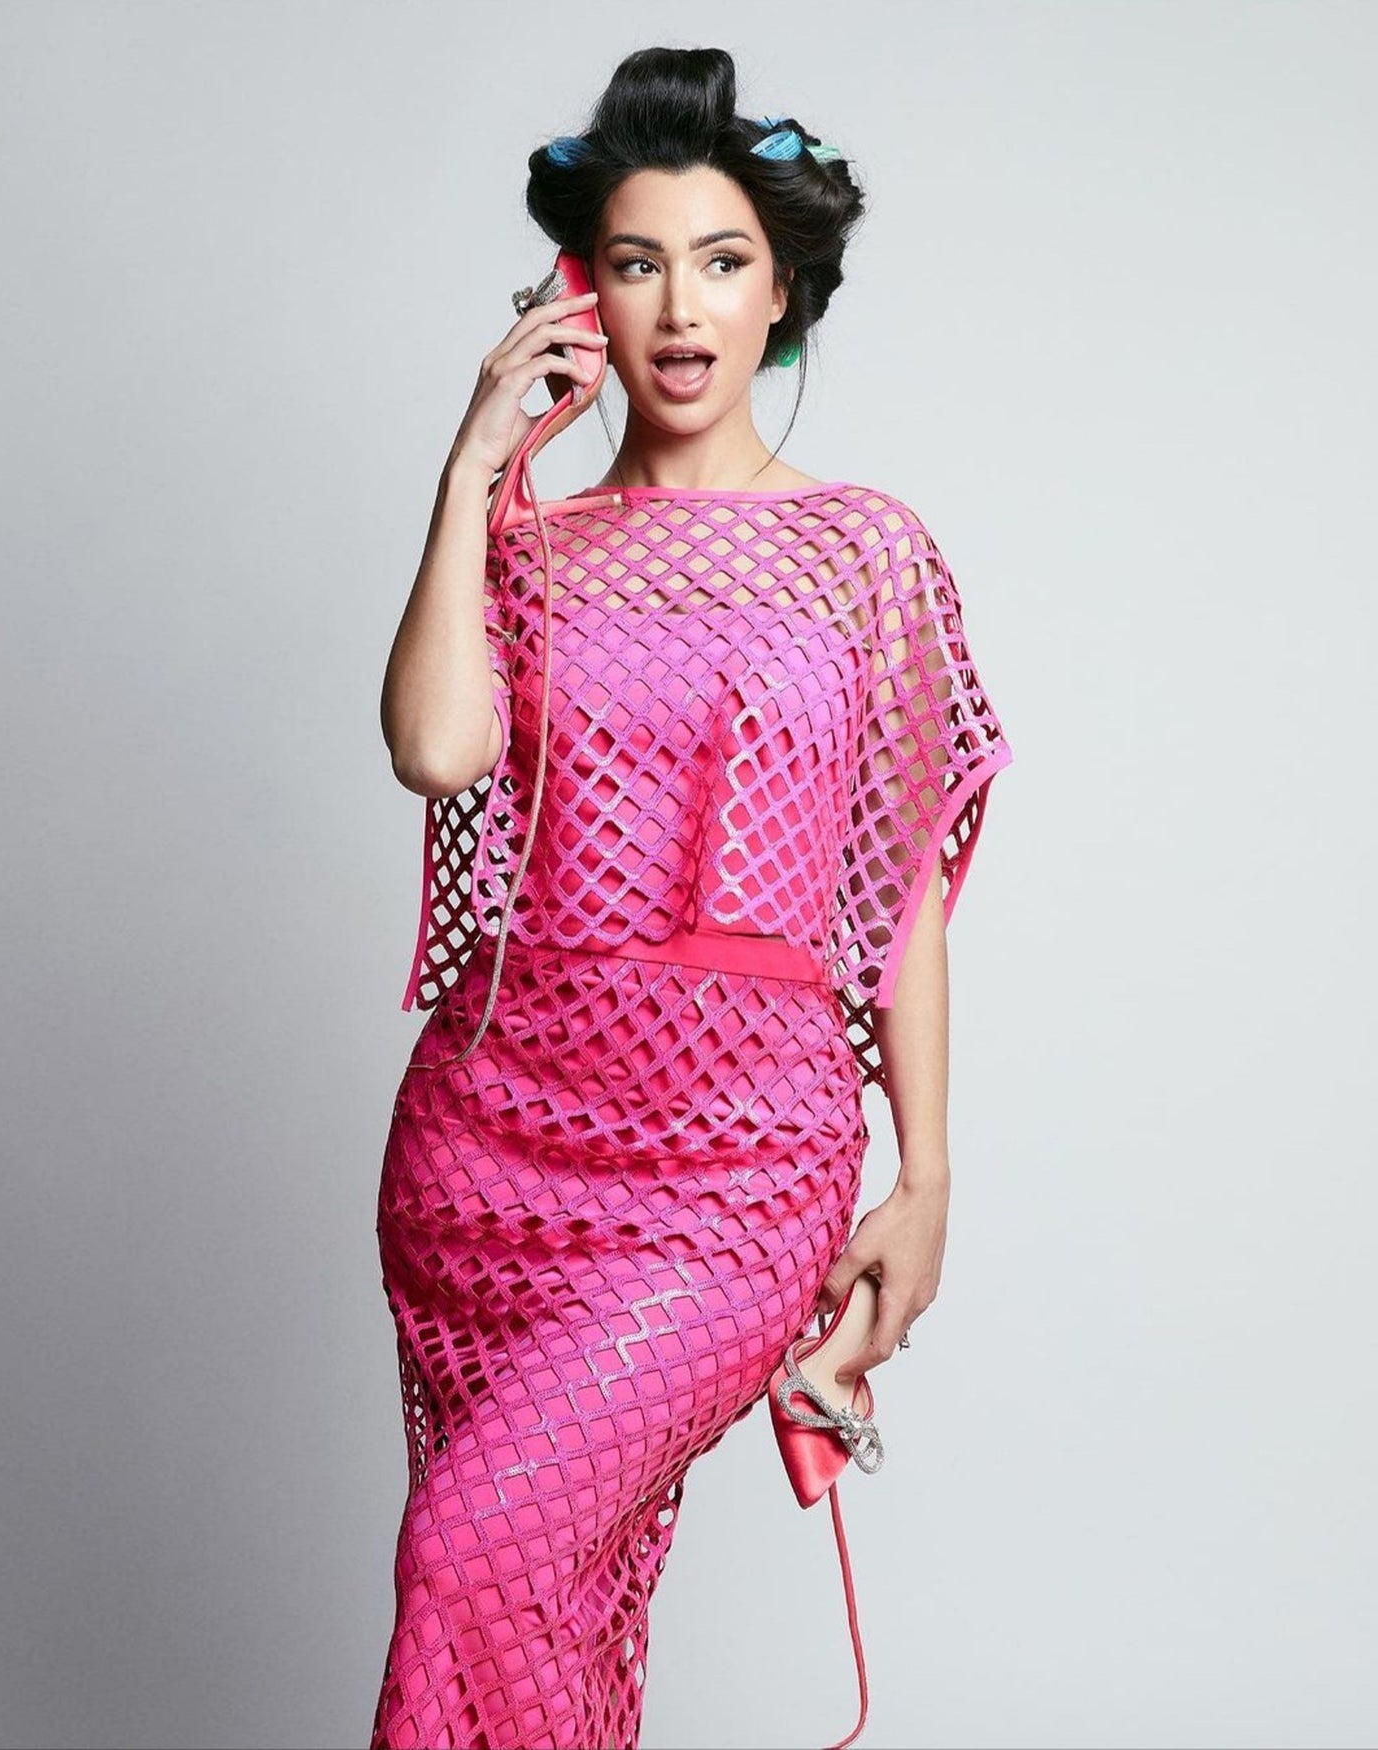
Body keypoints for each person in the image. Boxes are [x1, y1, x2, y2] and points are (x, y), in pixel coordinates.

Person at [370, 44, 1014, 1750]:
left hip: (736, 1162)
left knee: (474, 1552)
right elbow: (435, 750)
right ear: (583, 290)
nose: (680, 305)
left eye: (721, 261)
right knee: (522, 1593)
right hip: (493, 1139)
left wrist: (925, 1176)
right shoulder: (524, 548)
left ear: (780, 290)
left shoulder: (865, 554)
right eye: (638, 261)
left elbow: (900, 894)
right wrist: (469, 472)